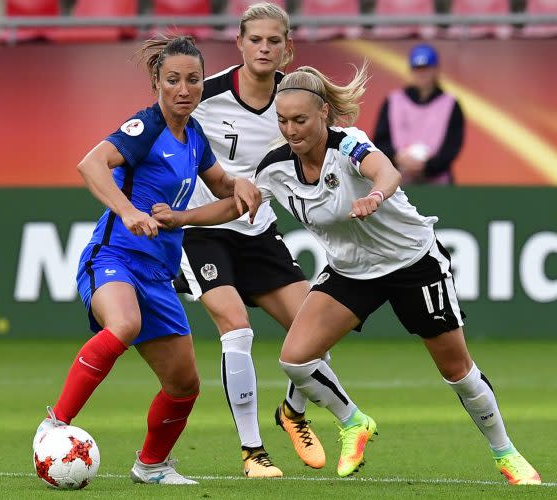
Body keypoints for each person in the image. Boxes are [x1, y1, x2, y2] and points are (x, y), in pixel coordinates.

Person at [152, 64, 542, 485]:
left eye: (300, 120)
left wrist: (375, 195)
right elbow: (235, 205)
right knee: (295, 359)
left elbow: (386, 171)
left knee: (456, 369)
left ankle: (506, 453)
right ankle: (354, 421)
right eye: (282, 121)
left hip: (411, 262)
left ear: (323, 114)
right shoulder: (275, 167)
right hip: (351, 272)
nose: (291, 130)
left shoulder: (350, 145)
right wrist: (182, 218)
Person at [32, 35, 260, 486]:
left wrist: (241, 188)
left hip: (158, 274)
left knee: (184, 386)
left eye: (193, 80)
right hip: (114, 256)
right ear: (157, 81)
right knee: (125, 324)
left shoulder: (194, 136)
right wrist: (129, 211)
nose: (184, 89)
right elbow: (91, 164)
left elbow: (221, 191)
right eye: (173, 79)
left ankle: (151, 466)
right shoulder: (145, 127)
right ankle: (54, 424)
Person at [173, 2, 324, 477]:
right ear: (239, 44)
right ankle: (252, 451)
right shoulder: (206, 94)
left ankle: (292, 413)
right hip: (201, 231)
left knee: (317, 332)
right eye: (254, 39)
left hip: (259, 231)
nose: (263, 48)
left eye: (273, 41)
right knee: (236, 328)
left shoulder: (294, 101)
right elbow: (161, 132)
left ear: (287, 49)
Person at [373, 43, 464, 185]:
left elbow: (452, 146)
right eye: (417, 69)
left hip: (438, 183)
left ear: (436, 70)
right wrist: (397, 157)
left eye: (426, 68)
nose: (422, 74)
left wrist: (427, 166)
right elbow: (380, 140)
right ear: (411, 70)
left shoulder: (451, 104)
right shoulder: (393, 101)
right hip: (397, 183)